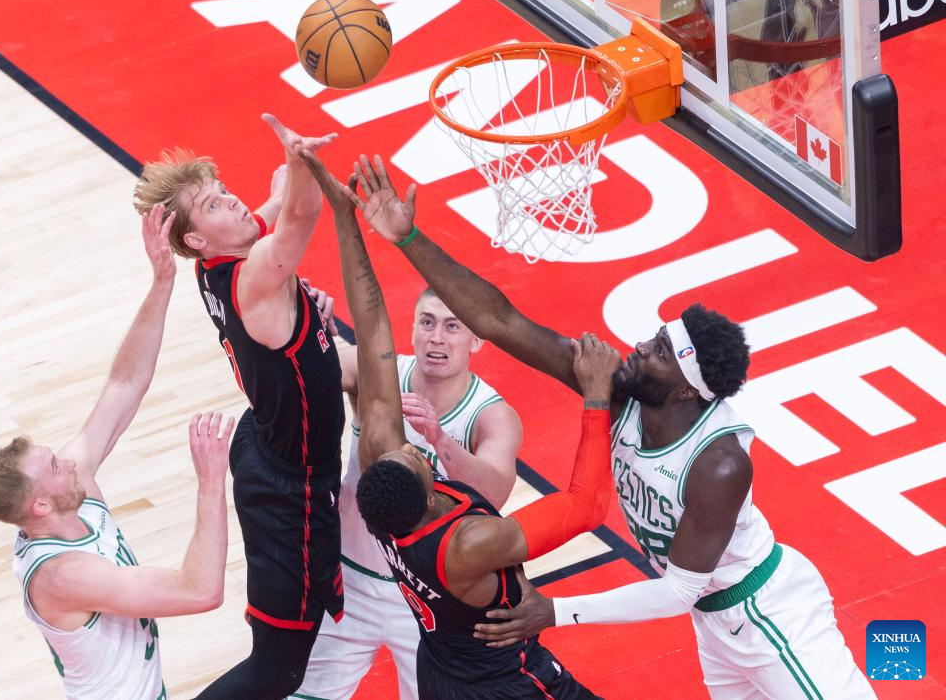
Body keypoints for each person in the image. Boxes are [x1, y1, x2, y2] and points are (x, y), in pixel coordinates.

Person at [342, 154, 875, 699]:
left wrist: (557, 610)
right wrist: (409, 239)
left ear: (686, 389)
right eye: (655, 337)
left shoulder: (719, 463)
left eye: (660, 351)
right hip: (715, 624)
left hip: (765, 612)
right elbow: (501, 321)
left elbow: (678, 591)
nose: (640, 346)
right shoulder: (619, 389)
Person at [297, 147, 618, 699]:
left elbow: (372, 329)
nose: (410, 448)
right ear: (427, 493)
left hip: (438, 660)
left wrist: (345, 219)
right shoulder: (466, 545)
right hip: (498, 682)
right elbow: (586, 506)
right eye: (415, 457)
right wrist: (596, 400)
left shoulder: (389, 488)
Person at [0, 205, 232, 700]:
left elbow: (125, 382)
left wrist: (161, 283)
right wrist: (209, 480)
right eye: (55, 465)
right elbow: (200, 590)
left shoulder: (72, 496)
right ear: (40, 504)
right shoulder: (64, 576)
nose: (71, 460)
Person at [132, 115, 345, 699]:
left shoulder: (218, 262)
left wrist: (282, 183)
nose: (231, 201)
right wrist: (300, 162)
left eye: (223, 190)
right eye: (213, 204)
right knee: (278, 669)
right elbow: (300, 216)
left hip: (264, 443)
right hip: (290, 490)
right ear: (197, 241)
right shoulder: (255, 279)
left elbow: (274, 207)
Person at [295, 288, 523, 700]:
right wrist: (304, 321)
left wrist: (439, 439)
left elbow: (494, 494)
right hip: (350, 581)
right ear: (413, 328)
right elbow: (295, 368)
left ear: (477, 339)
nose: (437, 337)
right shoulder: (376, 373)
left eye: (452, 326)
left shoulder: (491, 415)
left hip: (430, 598)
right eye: (427, 322)